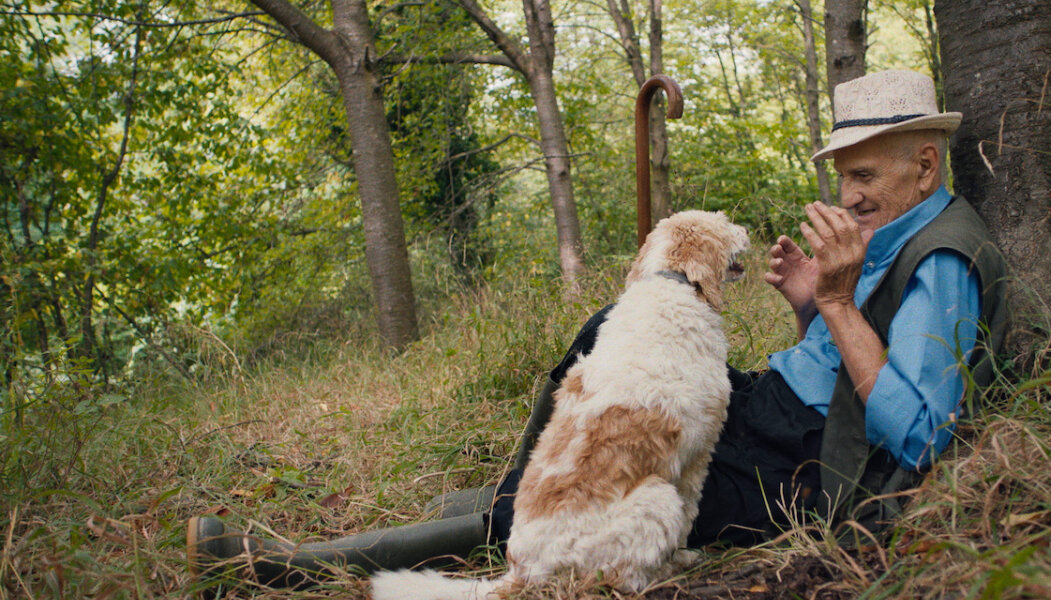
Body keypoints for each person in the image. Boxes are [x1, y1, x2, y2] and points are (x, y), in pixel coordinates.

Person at [186, 69, 1007, 590]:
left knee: (597, 491)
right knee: (611, 327)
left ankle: (276, 566)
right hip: (774, 410)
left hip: (810, 464)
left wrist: (833, 305)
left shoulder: (941, 263)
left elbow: (920, 432)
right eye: (845, 177)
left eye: (863, 174)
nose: (850, 193)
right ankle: (499, 506)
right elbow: (844, 354)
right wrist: (807, 302)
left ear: (925, 166)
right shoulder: (890, 231)